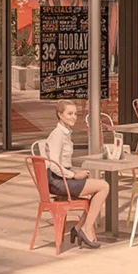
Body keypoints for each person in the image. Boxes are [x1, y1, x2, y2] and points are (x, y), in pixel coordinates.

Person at [40, 100, 107, 249]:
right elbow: (54, 164)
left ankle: (78, 229)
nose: (73, 117)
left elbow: (62, 164)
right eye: (69, 114)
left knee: (96, 192)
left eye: (75, 114)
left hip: (62, 178)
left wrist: (75, 173)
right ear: (60, 115)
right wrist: (74, 175)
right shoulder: (58, 135)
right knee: (103, 186)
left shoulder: (65, 133)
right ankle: (85, 228)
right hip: (57, 181)